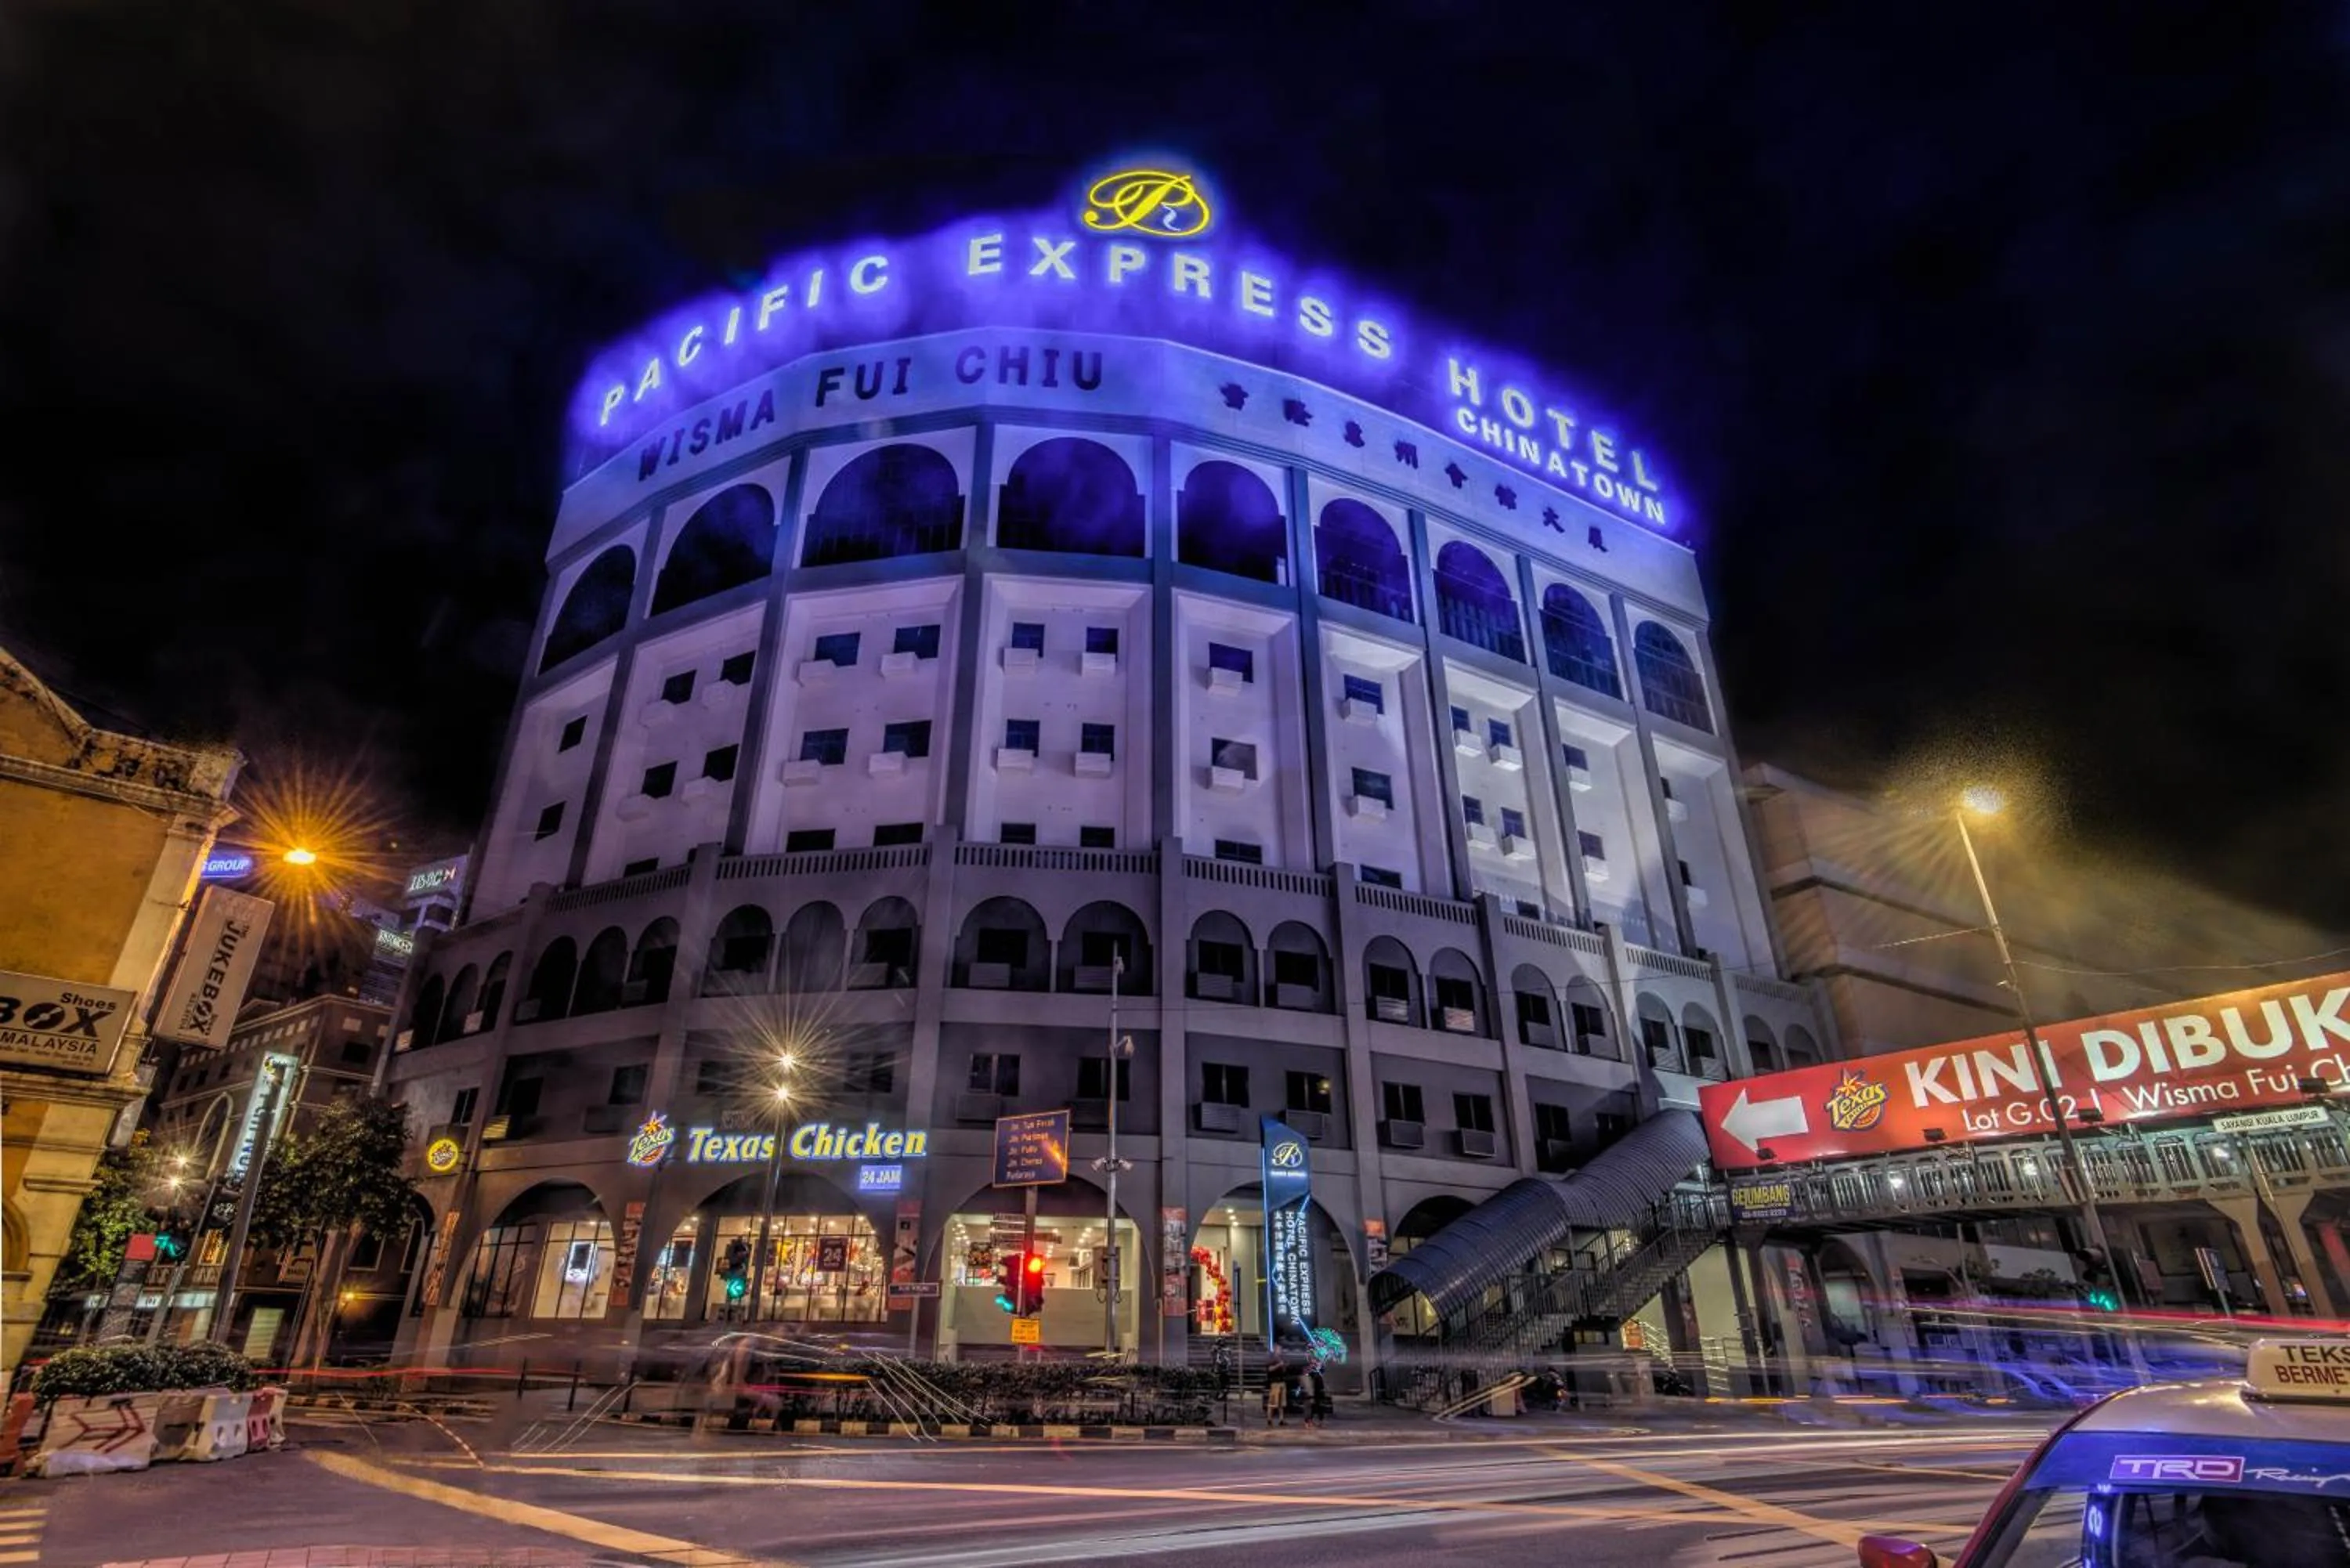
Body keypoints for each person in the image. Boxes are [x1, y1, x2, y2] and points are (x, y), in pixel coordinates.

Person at [1264, 1351, 1289, 1428]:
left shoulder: (1281, 1360)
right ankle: (1269, 1419)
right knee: (1273, 1403)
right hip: (1275, 1383)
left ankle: (1281, 1420)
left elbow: (1284, 1371)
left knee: (1281, 1404)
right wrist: (1279, 1365)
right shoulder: (1271, 1361)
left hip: (1282, 1383)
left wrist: (1284, 1366)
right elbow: (1270, 1369)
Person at [1304, 1359, 1329, 1428]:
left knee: (1320, 1406)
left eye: (1316, 1361)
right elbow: (1306, 1376)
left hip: (1319, 1389)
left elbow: (1323, 1370)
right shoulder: (1309, 1369)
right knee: (1310, 1406)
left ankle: (1321, 1421)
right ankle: (1308, 1422)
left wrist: (1320, 1366)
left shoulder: (1319, 1369)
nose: (1315, 1363)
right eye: (1313, 1361)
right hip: (1311, 1390)